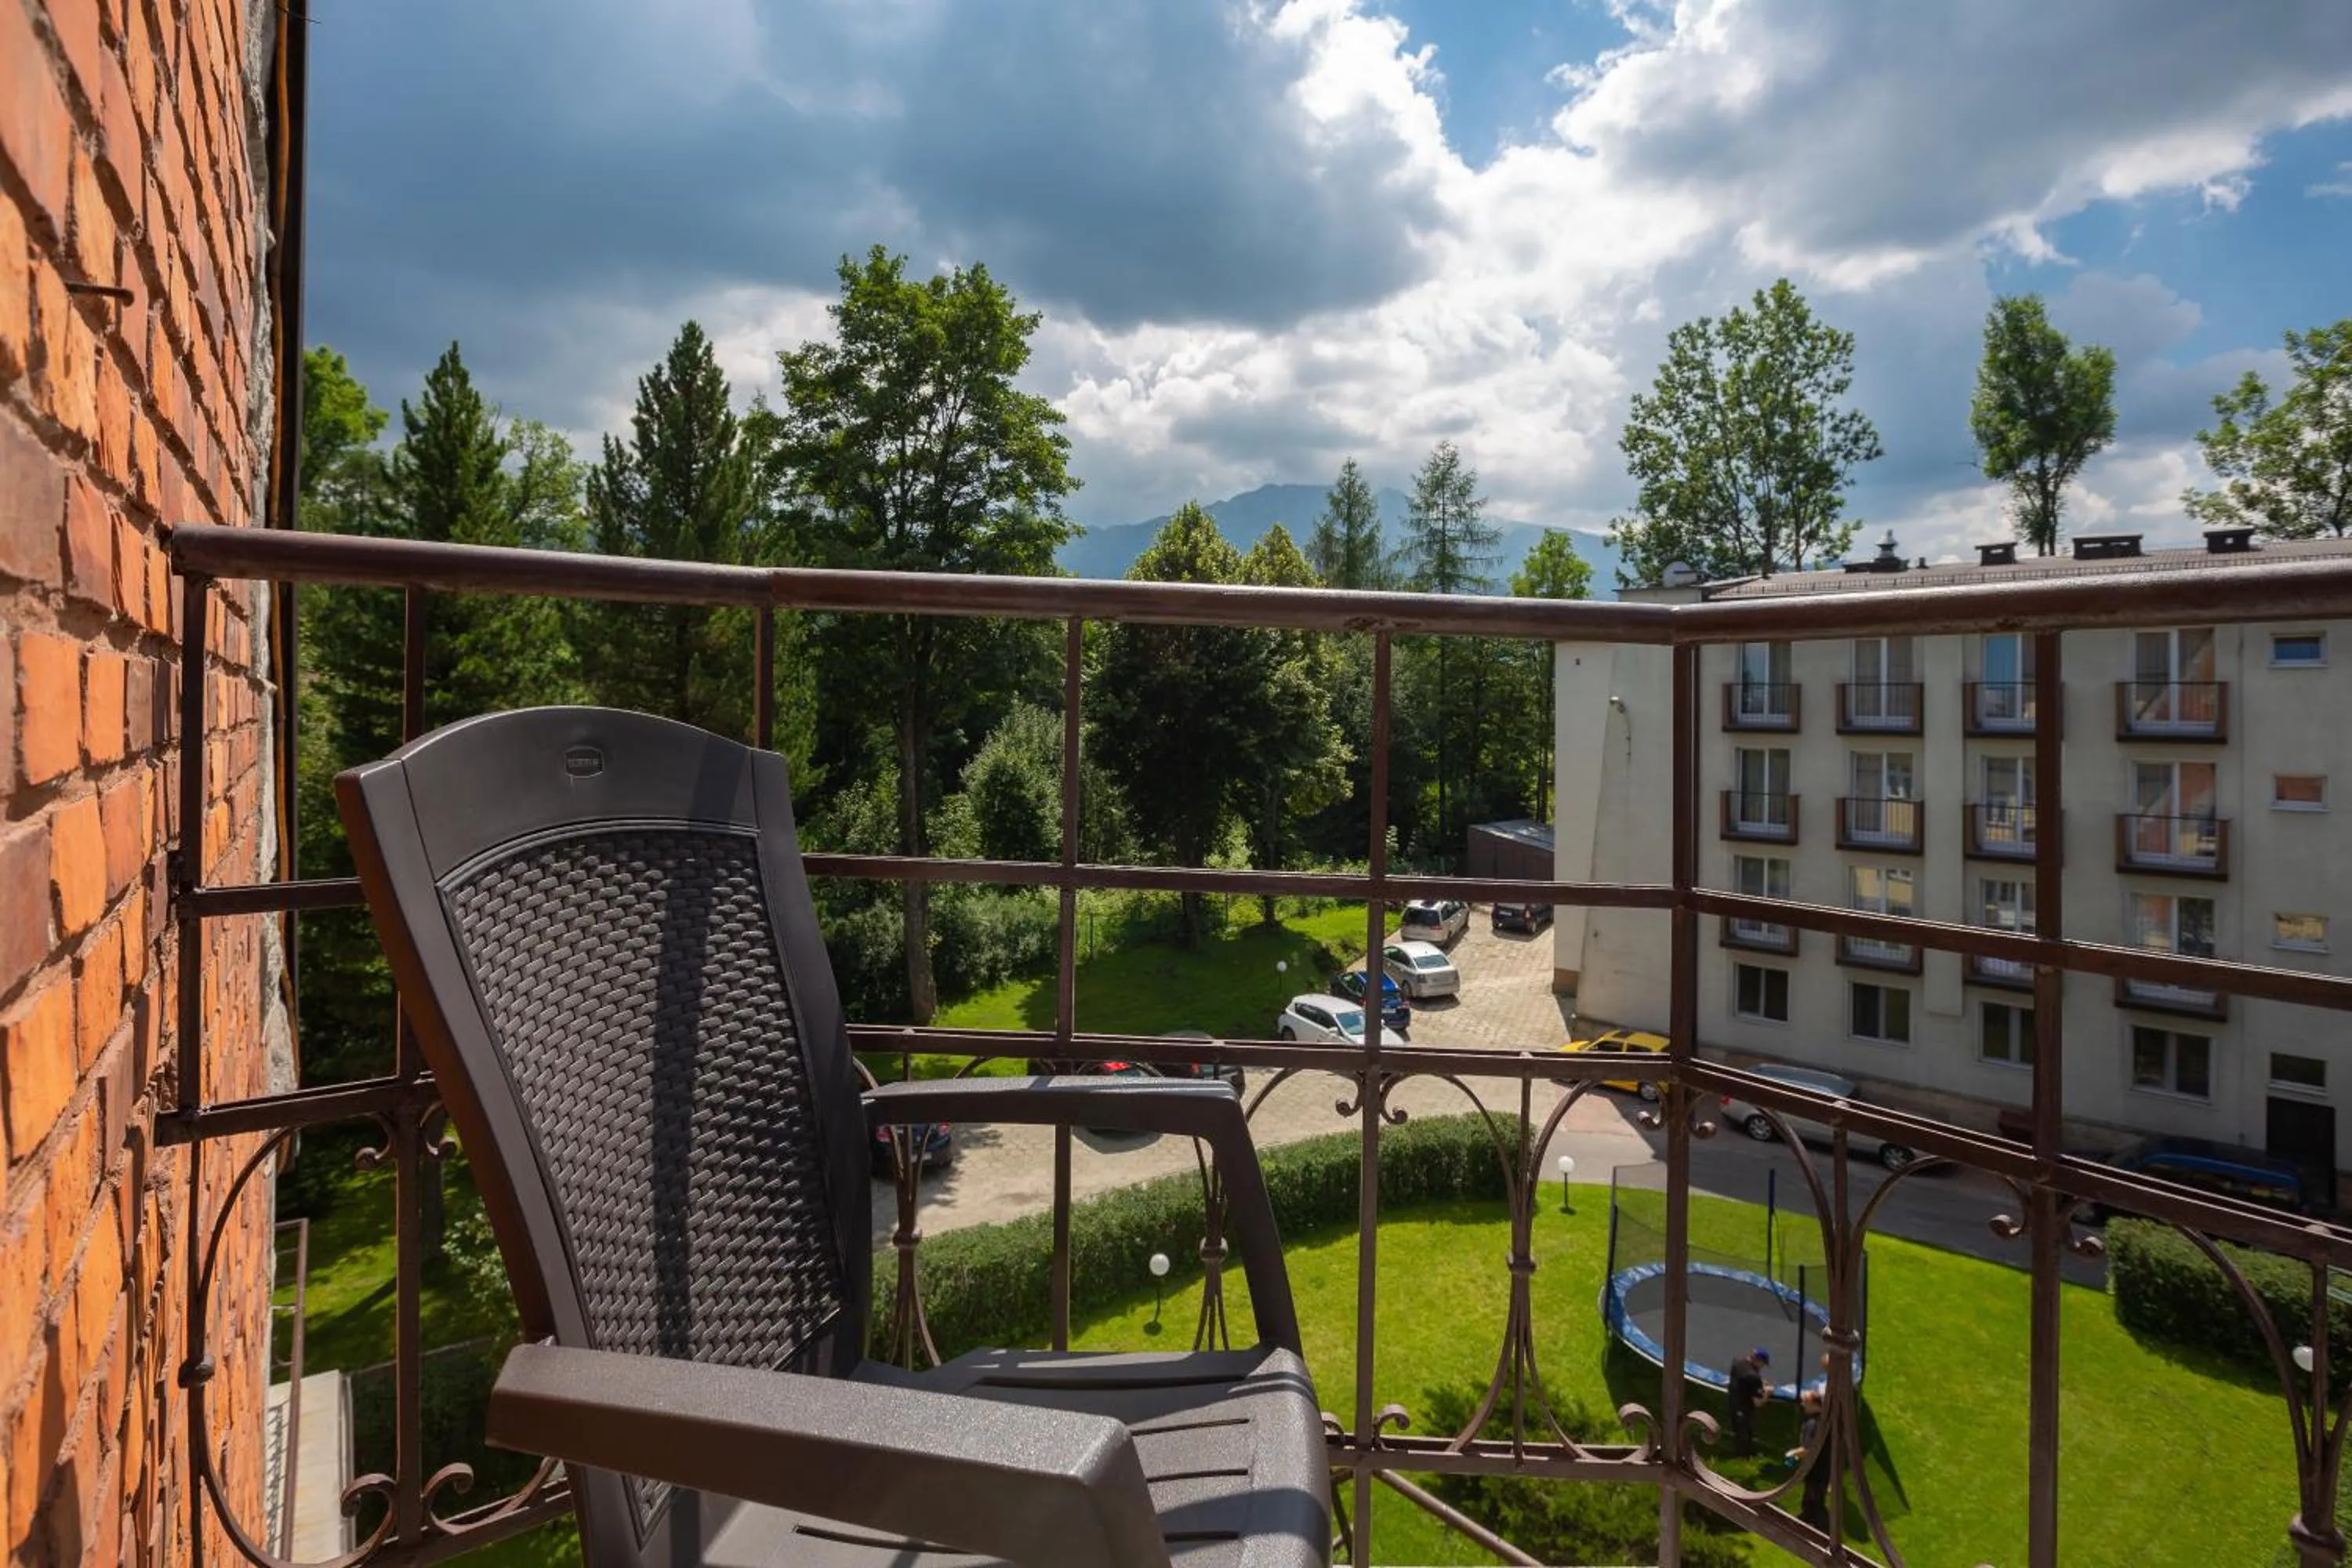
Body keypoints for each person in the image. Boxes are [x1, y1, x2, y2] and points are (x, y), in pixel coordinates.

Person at [1786, 1387, 1831, 1530]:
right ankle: (1806, 1520)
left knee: (1815, 1500)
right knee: (1812, 1499)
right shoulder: (1824, 1421)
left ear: (1814, 1404)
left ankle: (1824, 1530)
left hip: (1816, 1468)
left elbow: (1807, 1449)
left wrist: (1792, 1453)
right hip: (1824, 1466)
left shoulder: (1812, 1424)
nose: (1803, 1405)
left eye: (1805, 1402)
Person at [1726, 1347, 1769, 1455]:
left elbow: (1742, 1381)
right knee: (1745, 1434)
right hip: (1744, 1409)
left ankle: (1742, 1453)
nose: (1763, 1367)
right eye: (1763, 1364)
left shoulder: (1737, 1363)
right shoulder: (1754, 1377)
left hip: (1733, 1403)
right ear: (1759, 1361)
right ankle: (1743, 1456)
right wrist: (1768, 1392)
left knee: (1738, 1432)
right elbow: (1758, 1403)